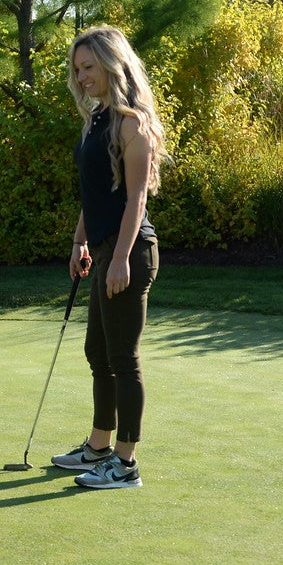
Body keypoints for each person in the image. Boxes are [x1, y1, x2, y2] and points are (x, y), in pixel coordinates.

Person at [52, 25, 164, 489]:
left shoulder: (131, 122)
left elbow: (136, 198)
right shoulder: (96, 120)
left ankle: (125, 463)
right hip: (103, 249)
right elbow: (93, 194)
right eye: (76, 70)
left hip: (132, 251)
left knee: (123, 357)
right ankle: (98, 446)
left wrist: (118, 258)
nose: (81, 78)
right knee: (97, 351)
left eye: (88, 67)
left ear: (112, 63)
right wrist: (81, 242)